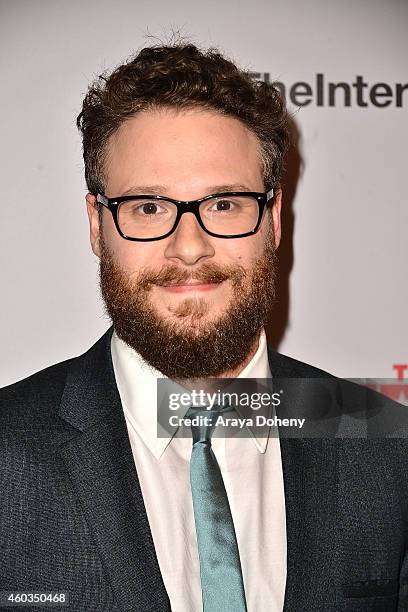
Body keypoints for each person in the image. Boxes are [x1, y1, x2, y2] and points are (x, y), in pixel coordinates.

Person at [1, 42, 407, 612]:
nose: (189, 247)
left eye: (223, 204)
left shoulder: (388, 448)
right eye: (147, 207)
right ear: (96, 225)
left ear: (274, 219)